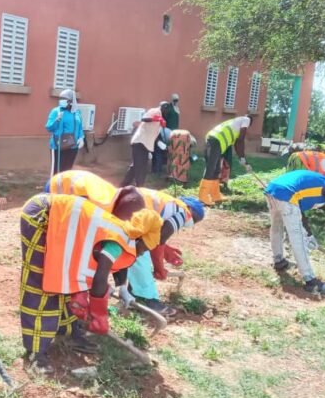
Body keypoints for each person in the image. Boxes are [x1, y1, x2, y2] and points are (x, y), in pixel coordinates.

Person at [19, 191, 163, 372]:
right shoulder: (118, 239)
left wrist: (92, 293)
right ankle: (35, 352)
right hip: (43, 216)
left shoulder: (124, 236)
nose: (142, 253)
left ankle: (68, 333)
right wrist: (98, 313)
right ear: (138, 238)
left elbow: (90, 269)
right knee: (43, 282)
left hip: (62, 224)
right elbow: (100, 278)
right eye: (144, 248)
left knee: (66, 282)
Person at [47, 170, 205, 315]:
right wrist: (159, 268)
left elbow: (154, 239)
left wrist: (120, 286)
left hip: (73, 189)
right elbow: (157, 241)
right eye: (194, 221)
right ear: (191, 211)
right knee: (135, 255)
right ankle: (146, 298)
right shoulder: (183, 212)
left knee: (127, 252)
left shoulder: (157, 206)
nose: (190, 224)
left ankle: (127, 291)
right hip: (63, 190)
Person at [263, 170, 325, 295]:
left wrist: (309, 235)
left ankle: (279, 261)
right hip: (287, 193)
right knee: (298, 237)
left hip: (274, 188)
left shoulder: (321, 186)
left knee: (277, 227)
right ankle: (310, 280)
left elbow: (298, 209)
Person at [198, 116, 252, 205]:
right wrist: (243, 159)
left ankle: (215, 195)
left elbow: (237, 144)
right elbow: (241, 140)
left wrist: (242, 159)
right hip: (215, 140)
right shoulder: (246, 119)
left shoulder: (235, 125)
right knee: (211, 168)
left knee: (216, 170)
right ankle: (202, 196)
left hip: (216, 141)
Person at [121, 102, 170, 187]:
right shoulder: (155, 111)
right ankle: (139, 187)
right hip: (140, 142)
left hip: (145, 145)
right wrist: (155, 119)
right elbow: (144, 118)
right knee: (140, 167)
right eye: (166, 109)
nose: (167, 111)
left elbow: (152, 132)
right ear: (163, 107)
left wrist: (158, 142)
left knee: (136, 166)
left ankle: (123, 186)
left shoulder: (160, 117)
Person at [46, 89, 84, 176]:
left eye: (64, 99)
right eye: (61, 98)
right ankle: (53, 185)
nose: (61, 100)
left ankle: (63, 185)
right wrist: (56, 120)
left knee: (66, 171)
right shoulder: (56, 111)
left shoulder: (77, 113)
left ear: (71, 101)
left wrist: (81, 137)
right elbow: (49, 127)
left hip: (73, 147)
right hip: (58, 146)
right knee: (56, 172)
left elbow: (80, 127)